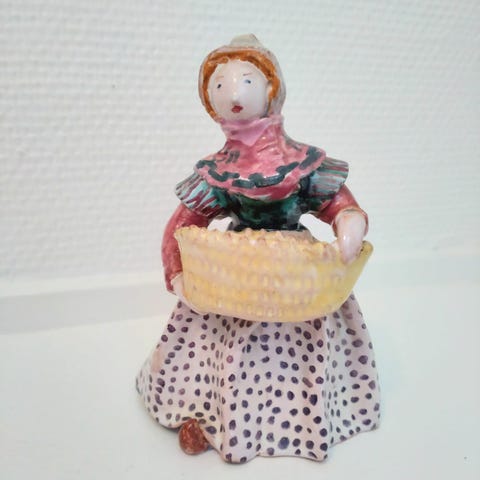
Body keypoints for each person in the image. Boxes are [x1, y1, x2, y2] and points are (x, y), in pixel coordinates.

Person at [136, 34, 380, 463]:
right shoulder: (216, 172)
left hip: (296, 273)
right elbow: (183, 224)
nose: (234, 94)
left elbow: (335, 202)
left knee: (299, 348)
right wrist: (178, 275)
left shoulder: (302, 162)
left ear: (270, 88)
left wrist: (349, 219)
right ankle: (213, 416)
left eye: (246, 81)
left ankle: (305, 418)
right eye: (219, 84)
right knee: (223, 347)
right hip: (233, 273)